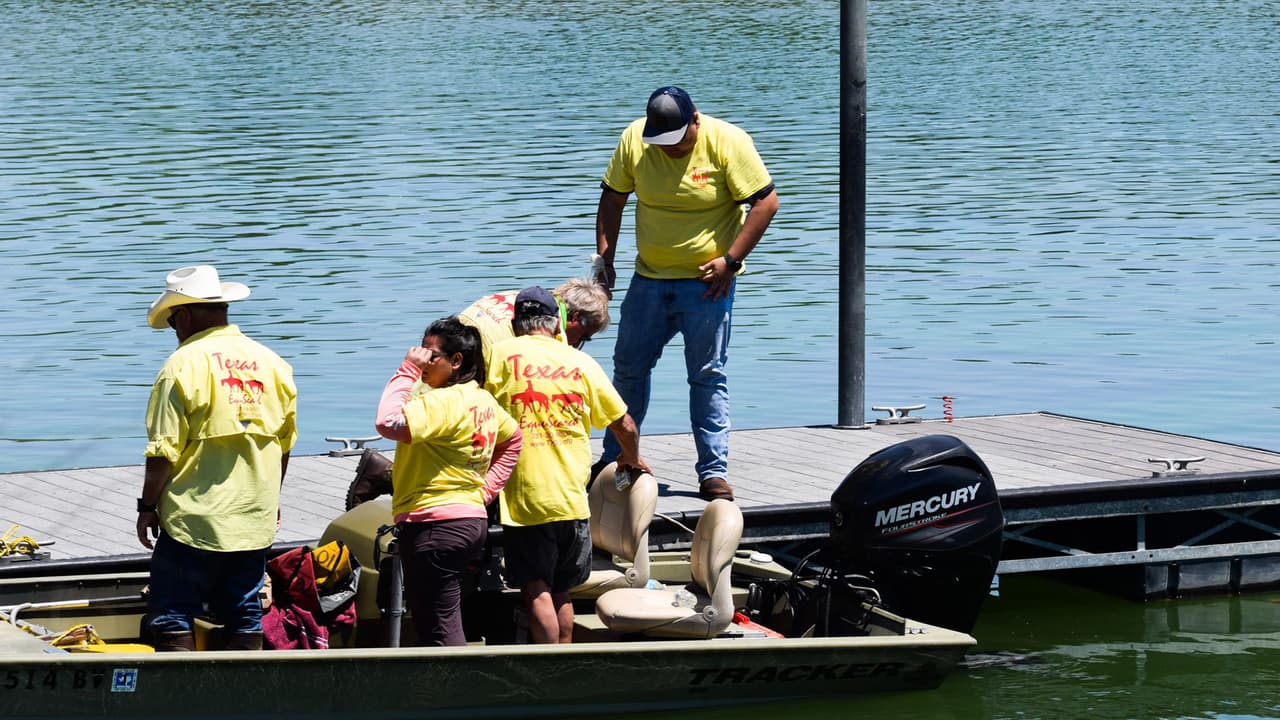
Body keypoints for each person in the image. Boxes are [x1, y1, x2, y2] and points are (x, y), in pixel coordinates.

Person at [593, 85, 779, 502]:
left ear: (696, 119)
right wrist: (605, 260)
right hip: (648, 280)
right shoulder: (634, 140)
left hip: (707, 285)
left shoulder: (728, 142)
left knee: (707, 375)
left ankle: (712, 473)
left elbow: (766, 203)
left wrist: (731, 261)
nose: (670, 149)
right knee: (627, 370)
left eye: (677, 140)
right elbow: (613, 198)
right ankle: (614, 462)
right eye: (662, 142)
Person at [137, 265, 298, 652]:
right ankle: (242, 686)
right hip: (252, 516)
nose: (174, 330)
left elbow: (162, 453)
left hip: (194, 519)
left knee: (172, 611)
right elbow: (284, 444)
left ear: (184, 316)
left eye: (172, 321)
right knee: (245, 612)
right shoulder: (273, 363)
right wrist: (271, 498)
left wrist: (147, 506)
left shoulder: (181, 366)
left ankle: (180, 688)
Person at [347, 278, 611, 509]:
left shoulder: (522, 300)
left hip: (439, 367)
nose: (578, 344)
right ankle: (386, 475)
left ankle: (381, 473)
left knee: (436, 452)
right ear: (575, 318)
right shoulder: (550, 328)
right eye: (584, 337)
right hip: (459, 378)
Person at [486, 286, 649, 644]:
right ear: (556, 323)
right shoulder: (581, 362)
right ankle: (564, 656)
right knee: (561, 590)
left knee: (535, 589)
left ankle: (547, 665)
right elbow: (626, 425)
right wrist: (630, 458)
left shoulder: (499, 355)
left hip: (527, 500)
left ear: (515, 324)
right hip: (573, 499)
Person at [373, 317, 522, 646]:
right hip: (468, 521)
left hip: (434, 525)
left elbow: (388, 421)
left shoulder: (443, 403)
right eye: (419, 351)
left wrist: (407, 369)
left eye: (430, 354)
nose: (422, 359)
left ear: (456, 361)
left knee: (438, 625)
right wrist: (484, 492)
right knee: (440, 616)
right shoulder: (480, 399)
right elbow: (513, 439)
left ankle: (456, 677)